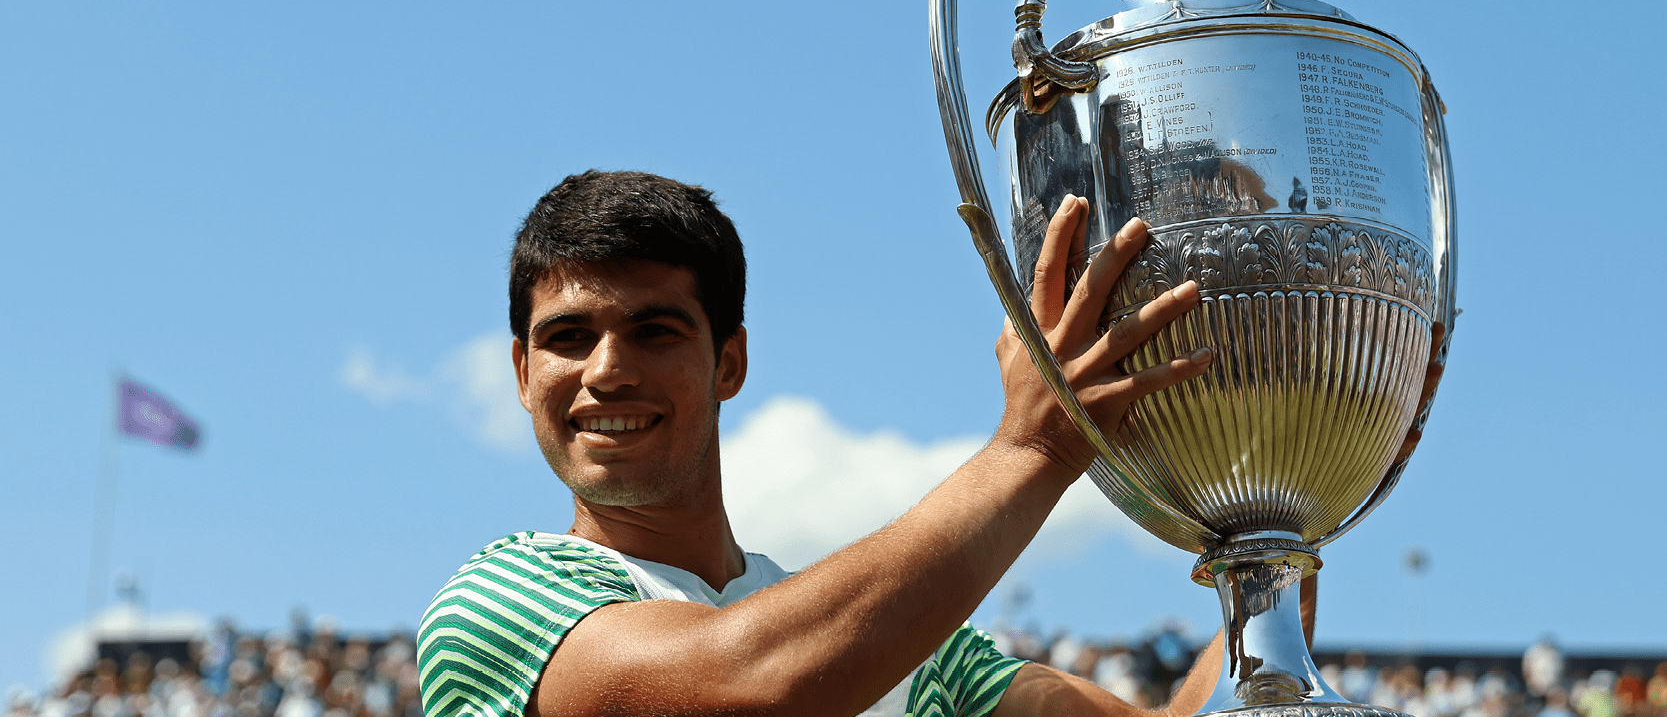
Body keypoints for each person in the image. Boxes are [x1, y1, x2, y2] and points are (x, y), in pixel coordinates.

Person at [416, 169, 1425, 717]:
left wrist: (1295, 473)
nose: (603, 371)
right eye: (565, 338)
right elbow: (743, 691)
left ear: (728, 363)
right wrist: (1029, 448)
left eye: (653, 330)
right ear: (519, 373)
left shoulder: (921, 657)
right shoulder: (502, 600)